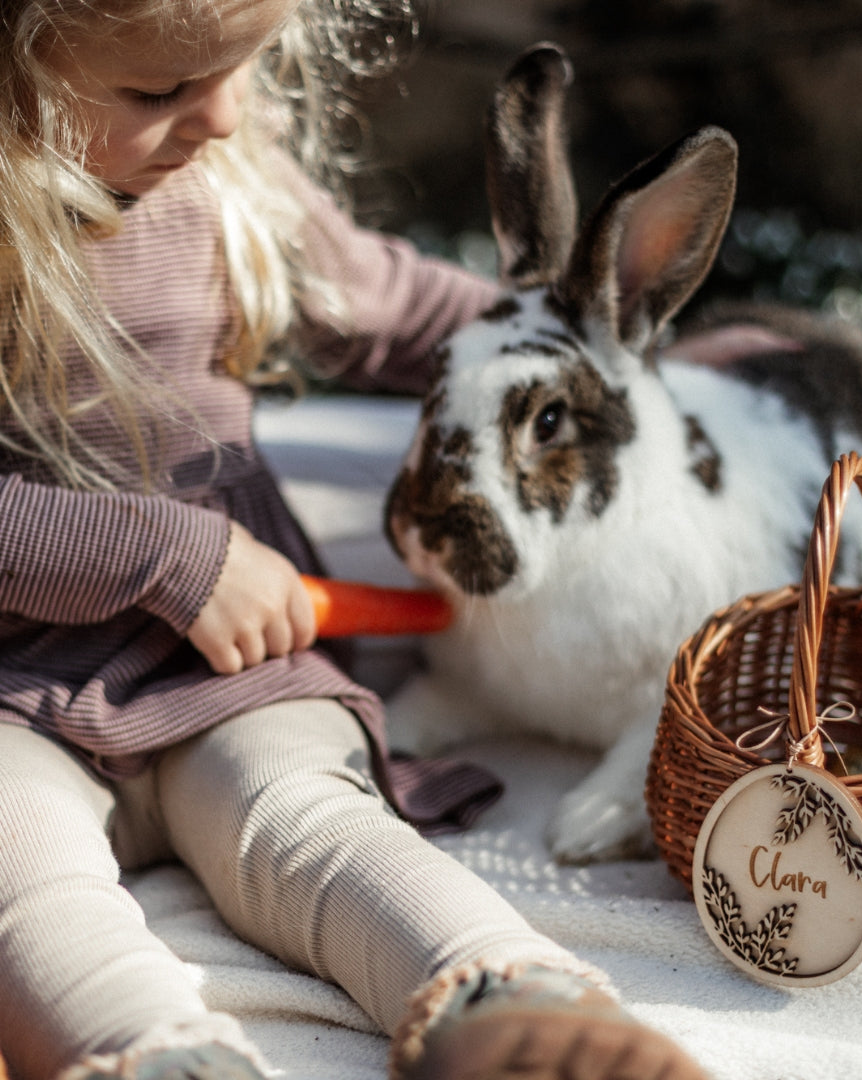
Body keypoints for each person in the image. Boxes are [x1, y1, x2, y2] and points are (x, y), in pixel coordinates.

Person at [0, 1, 711, 1079]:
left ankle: (504, 997)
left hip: (229, 662)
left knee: (312, 822)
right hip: (12, 691)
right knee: (23, 872)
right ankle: (152, 1055)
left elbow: (412, 311)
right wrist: (169, 556)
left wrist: (566, 348)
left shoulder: (227, 184)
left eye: (247, 67)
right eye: (160, 92)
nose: (227, 116)